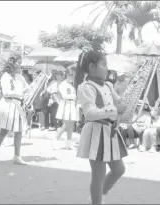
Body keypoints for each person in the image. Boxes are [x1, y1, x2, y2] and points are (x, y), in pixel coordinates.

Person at [75, 51, 128, 204]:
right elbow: (90, 113)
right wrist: (114, 110)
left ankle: (97, 197)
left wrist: (127, 98)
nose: (107, 69)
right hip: (96, 133)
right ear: (92, 67)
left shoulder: (108, 85)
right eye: (103, 65)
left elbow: (118, 103)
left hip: (110, 132)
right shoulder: (85, 87)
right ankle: (96, 201)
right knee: (98, 175)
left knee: (119, 169)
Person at [0, 56, 29, 165]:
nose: (20, 65)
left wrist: (31, 89)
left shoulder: (20, 77)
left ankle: (17, 156)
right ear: (12, 63)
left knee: (19, 131)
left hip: (19, 105)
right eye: (18, 62)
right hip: (8, 104)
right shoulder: (5, 76)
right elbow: (6, 92)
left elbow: (26, 88)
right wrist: (20, 93)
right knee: (4, 130)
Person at [53, 71, 78, 150]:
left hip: (72, 105)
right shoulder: (63, 84)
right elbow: (64, 96)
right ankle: (55, 140)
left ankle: (68, 144)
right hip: (65, 105)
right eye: (70, 75)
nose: (72, 77)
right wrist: (74, 96)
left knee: (71, 125)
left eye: (73, 75)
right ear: (67, 75)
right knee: (65, 125)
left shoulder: (72, 85)